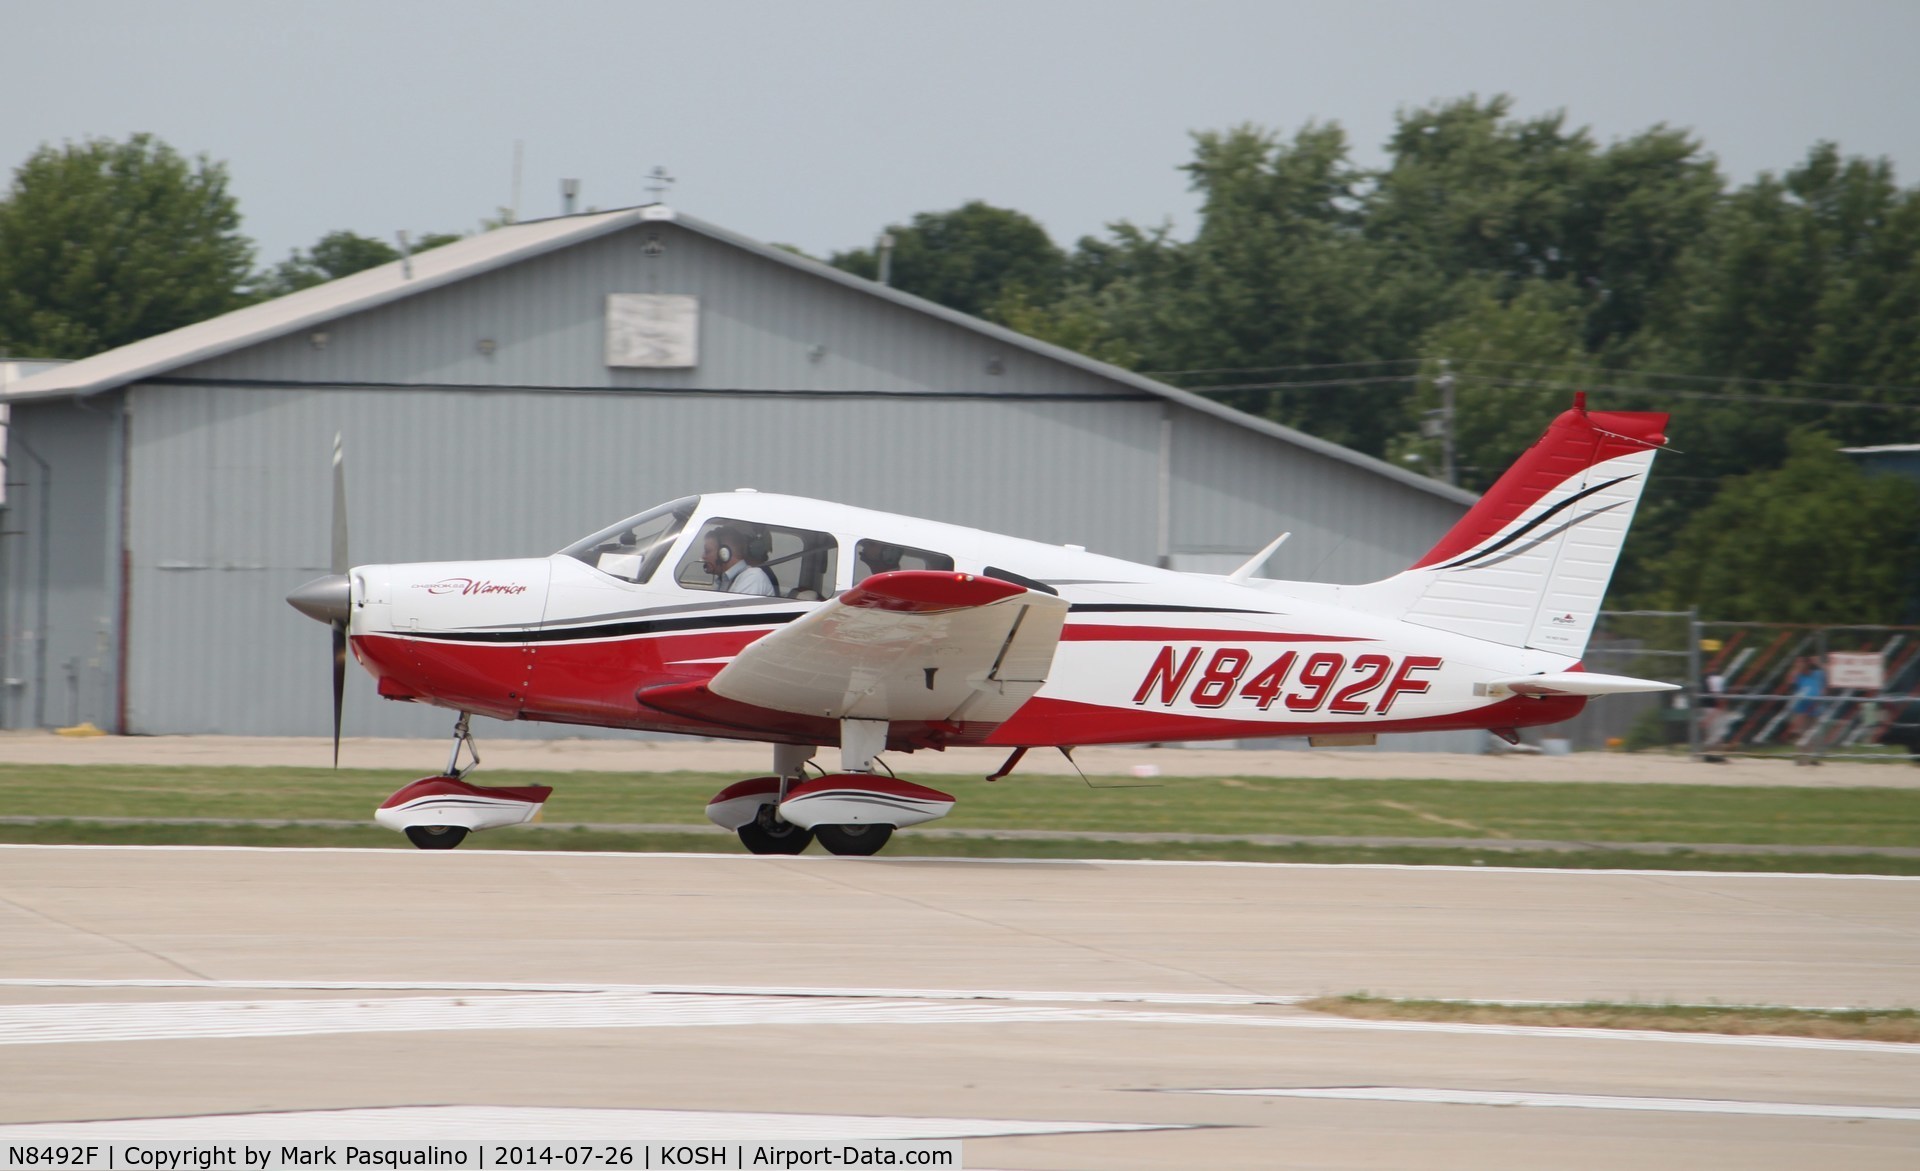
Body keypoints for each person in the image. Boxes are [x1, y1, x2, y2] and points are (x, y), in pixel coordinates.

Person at [701, 526, 776, 596]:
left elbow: (734, 610)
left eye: (707, 551)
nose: (703, 557)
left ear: (724, 553)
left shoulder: (753, 577)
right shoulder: (722, 581)